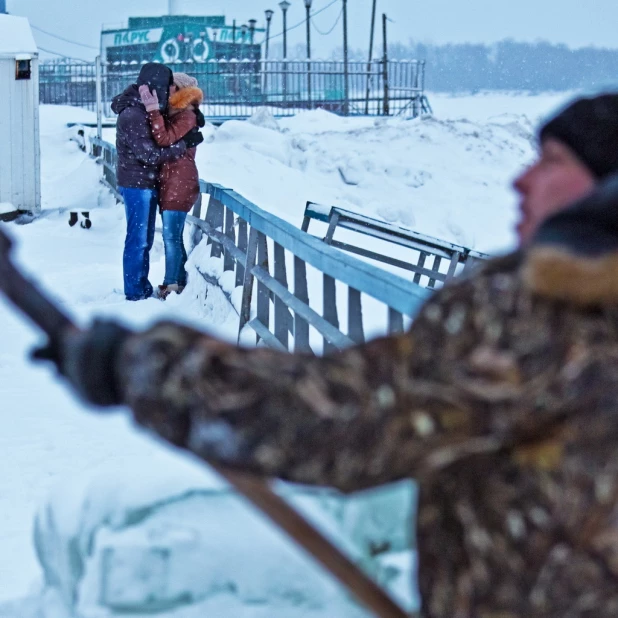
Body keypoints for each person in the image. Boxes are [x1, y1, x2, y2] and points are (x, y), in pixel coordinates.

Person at [35, 94, 618, 617]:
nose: (522, 181)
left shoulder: (553, 322)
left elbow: (348, 414)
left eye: (552, 163)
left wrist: (143, 367)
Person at [111, 63, 203, 301]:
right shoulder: (134, 114)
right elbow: (150, 154)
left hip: (147, 184)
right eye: (165, 89)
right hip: (137, 185)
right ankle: (135, 290)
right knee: (139, 240)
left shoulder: (143, 110)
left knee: (146, 239)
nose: (167, 96)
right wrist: (182, 145)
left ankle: (142, 286)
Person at [138, 72, 206, 300]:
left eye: (171, 86)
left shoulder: (186, 116)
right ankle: (181, 279)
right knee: (173, 236)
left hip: (180, 182)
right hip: (171, 182)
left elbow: (163, 139)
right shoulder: (177, 114)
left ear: (180, 90)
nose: (166, 89)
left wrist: (152, 110)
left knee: (170, 237)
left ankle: (171, 284)